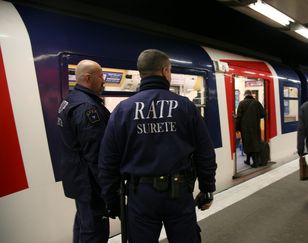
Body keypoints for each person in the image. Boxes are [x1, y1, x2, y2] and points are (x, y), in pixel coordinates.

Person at [98, 49, 217, 243]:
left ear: (141, 73)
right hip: (179, 194)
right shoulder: (186, 107)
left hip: (140, 196)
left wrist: (112, 200)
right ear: (165, 71)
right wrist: (207, 188)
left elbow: (107, 161)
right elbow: (205, 153)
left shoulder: (122, 110)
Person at [57, 60, 110, 243]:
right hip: (90, 184)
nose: (104, 81)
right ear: (88, 78)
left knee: (83, 224)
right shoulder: (88, 108)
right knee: (94, 232)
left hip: (77, 179)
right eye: (101, 76)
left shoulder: (69, 100)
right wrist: (108, 189)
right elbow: (96, 155)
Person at [235, 90, 265, 167]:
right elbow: (263, 114)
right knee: (255, 143)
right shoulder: (257, 103)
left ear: (245, 95)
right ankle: (249, 160)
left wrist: (237, 128)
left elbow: (238, 117)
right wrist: (256, 116)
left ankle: (255, 162)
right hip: (255, 127)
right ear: (251, 95)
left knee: (247, 144)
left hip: (245, 128)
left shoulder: (241, 103)